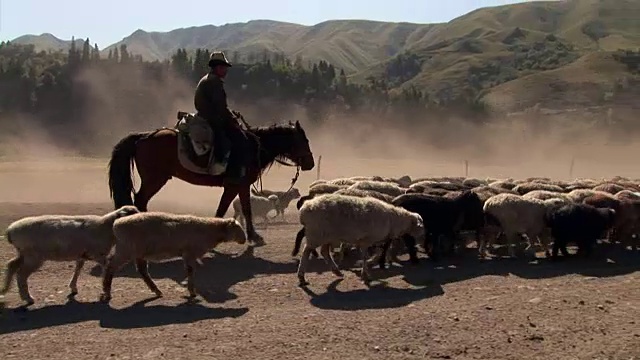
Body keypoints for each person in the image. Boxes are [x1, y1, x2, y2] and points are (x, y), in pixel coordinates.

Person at [193, 51, 250, 183]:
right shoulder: (215, 82)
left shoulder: (208, 79)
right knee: (238, 138)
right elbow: (221, 108)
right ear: (218, 67)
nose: (225, 70)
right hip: (211, 118)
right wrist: (234, 121)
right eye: (224, 67)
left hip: (206, 115)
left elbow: (219, 106)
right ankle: (227, 171)